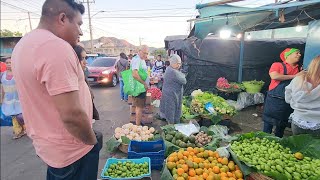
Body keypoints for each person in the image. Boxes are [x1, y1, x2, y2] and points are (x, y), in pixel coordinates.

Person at [11, 1, 100, 180]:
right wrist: (92, 142)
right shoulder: (55, 47)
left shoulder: (24, 44)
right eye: (79, 24)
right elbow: (71, 115)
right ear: (62, 18)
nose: (81, 32)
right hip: (73, 150)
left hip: (52, 147)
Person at [262, 48, 302, 137]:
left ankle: (278, 140)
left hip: (288, 102)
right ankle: (263, 138)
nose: (299, 55)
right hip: (274, 100)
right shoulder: (277, 65)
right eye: (297, 53)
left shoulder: (299, 68)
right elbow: (274, 76)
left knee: (282, 124)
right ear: (288, 55)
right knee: (268, 123)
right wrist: (295, 76)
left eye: (299, 53)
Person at [285, 56, 320, 137]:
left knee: (298, 146)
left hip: (298, 120)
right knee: (316, 149)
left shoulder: (298, 79)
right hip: (318, 123)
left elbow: (288, 98)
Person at [1, 57, 26, 139]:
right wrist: (2, 98)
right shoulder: (2, 75)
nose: (8, 64)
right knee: (14, 116)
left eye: (10, 62)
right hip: (8, 100)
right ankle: (18, 131)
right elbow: (3, 88)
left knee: (21, 116)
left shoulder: (18, 73)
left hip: (19, 99)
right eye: (7, 63)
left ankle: (24, 127)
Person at [74, 45, 100, 121]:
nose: (86, 62)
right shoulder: (74, 80)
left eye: (86, 58)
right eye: (82, 58)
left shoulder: (82, 77)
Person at [159, 54, 186, 124]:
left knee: (169, 110)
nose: (179, 65)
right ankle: (172, 127)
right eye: (178, 64)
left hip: (169, 93)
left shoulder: (169, 68)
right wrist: (183, 75)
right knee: (172, 111)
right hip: (172, 95)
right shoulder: (173, 72)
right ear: (173, 63)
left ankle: (170, 124)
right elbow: (184, 81)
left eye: (180, 64)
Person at [131, 45, 149, 126]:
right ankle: (137, 126)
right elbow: (135, 74)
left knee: (140, 106)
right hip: (138, 88)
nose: (146, 55)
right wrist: (144, 83)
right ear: (139, 51)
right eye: (144, 53)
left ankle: (139, 121)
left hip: (141, 87)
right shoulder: (136, 60)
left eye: (147, 53)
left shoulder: (141, 60)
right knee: (139, 106)